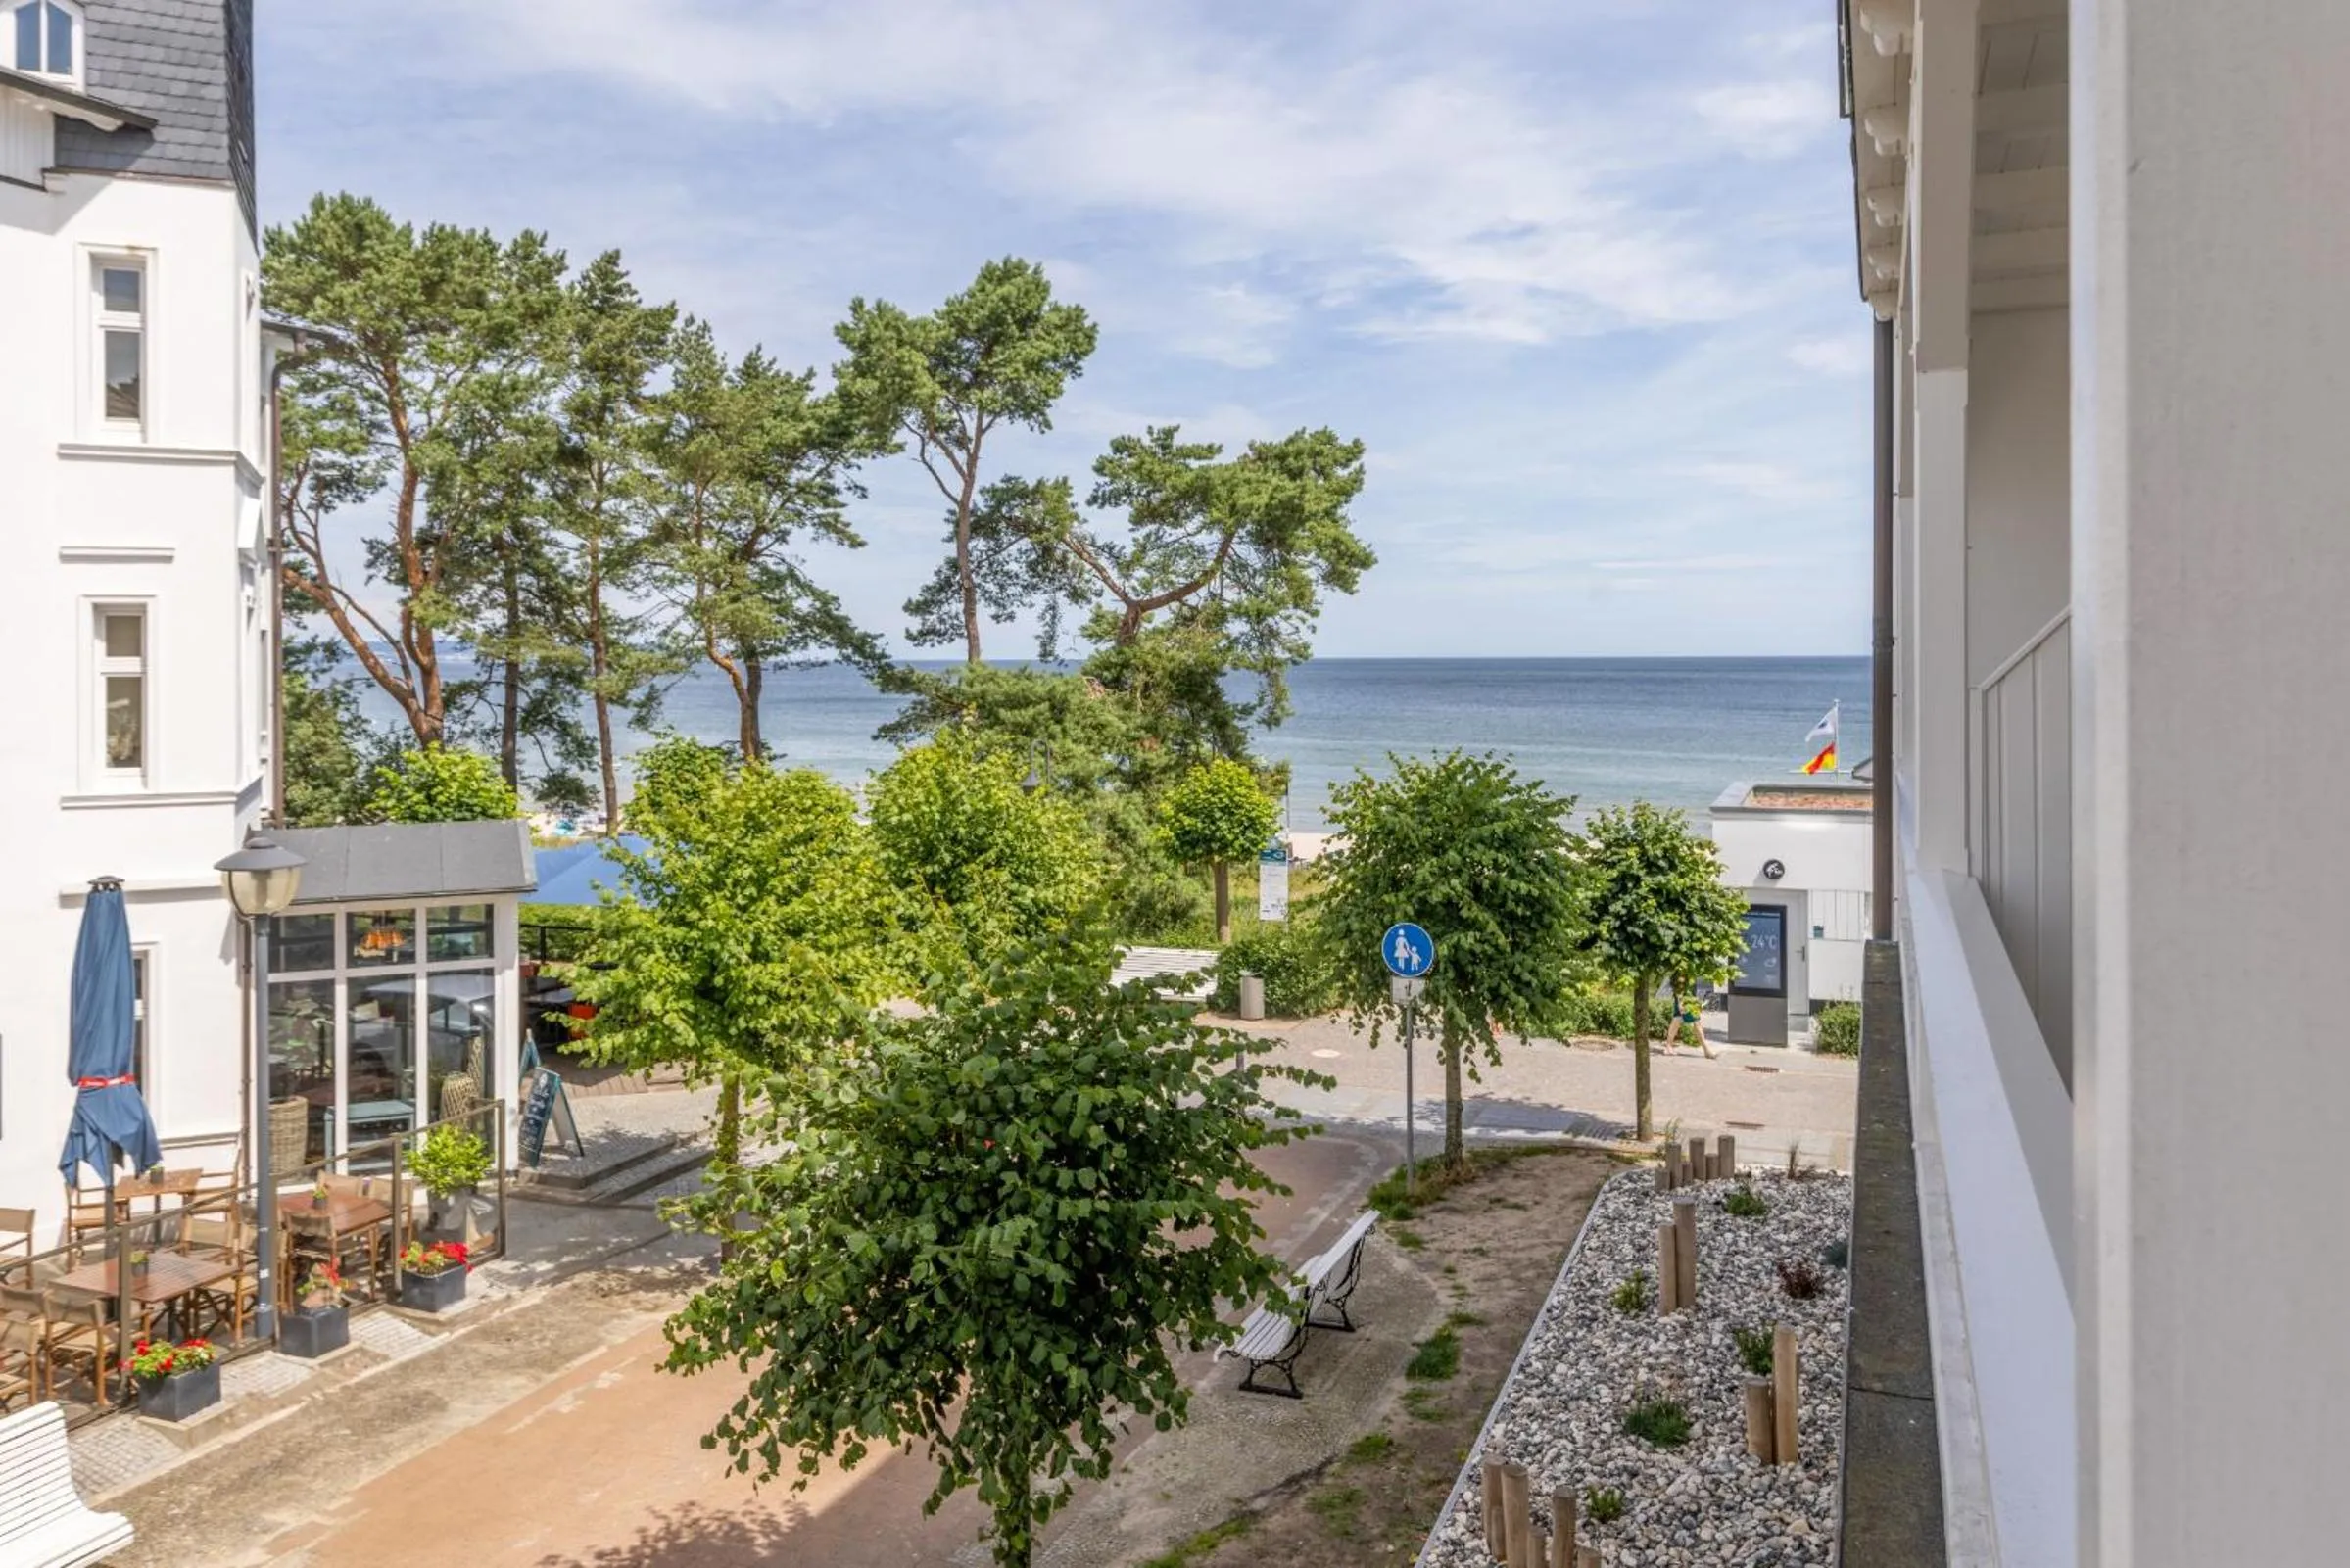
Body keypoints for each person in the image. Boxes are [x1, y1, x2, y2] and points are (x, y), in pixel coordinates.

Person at [1664, 976, 1714, 1059]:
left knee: (1676, 1021)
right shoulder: (1684, 970)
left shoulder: (1691, 972)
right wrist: (1680, 1003)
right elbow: (1679, 986)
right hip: (1686, 1002)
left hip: (1689, 1000)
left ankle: (1668, 1046)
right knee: (1695, 1022)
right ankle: (1706, 1050)